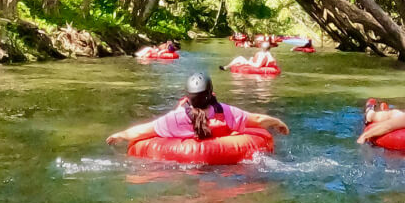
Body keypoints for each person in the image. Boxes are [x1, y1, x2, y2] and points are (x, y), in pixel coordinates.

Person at [106, 72, 289, 144]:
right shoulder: (225, 113)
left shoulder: (175, 118)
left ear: (187, 97)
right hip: (228, 170)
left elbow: (142, 131)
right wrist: (277, 122)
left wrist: (120, 135)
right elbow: (257, 120)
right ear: (211, 93)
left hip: (184, 170)